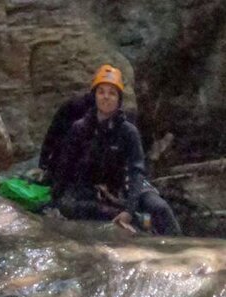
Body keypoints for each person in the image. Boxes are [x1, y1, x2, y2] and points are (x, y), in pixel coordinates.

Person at [51, 65, 182, 236]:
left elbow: (136, 172)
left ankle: (177, 244)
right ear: (94, 96)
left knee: (160, 208)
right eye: (101, 92)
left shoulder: (128, 131)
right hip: (95, 190)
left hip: (127, 185)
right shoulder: (80, 128)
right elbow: (65, 167)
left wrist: (129, 210)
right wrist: (55, 200)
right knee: (72, 208)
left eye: (112, 93)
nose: (106, 97)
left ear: (118, 99)